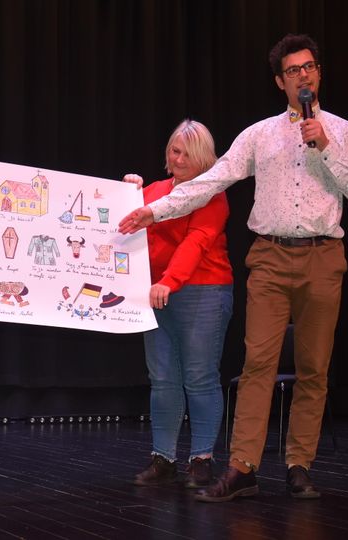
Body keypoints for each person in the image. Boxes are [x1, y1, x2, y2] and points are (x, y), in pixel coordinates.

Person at [119, 34, 348, 501]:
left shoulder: (343, 132)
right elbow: (212, 180)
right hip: (270, 257)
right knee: (257, 364)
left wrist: (325, 146)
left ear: (318, 73)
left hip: (322, 256)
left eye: (309, 67)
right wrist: (154, 210)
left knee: (314, 368)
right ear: (280, 81)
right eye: (293, 70)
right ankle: (243, 468)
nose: (302, 75)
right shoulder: (260, 134)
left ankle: (299, 464)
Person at [123, 119, 234, 488]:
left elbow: (197, 241)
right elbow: (117, 222)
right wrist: (126, 191)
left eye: (190, 153)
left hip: (203, 290)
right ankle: (164, 459)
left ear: (206, 160)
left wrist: (169, 281)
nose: (180, 159)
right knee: (162, 380)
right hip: (158, 293)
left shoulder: (212, 195)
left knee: (200, 378)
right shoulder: (153, 191)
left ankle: (201, 459)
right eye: (175, 150)